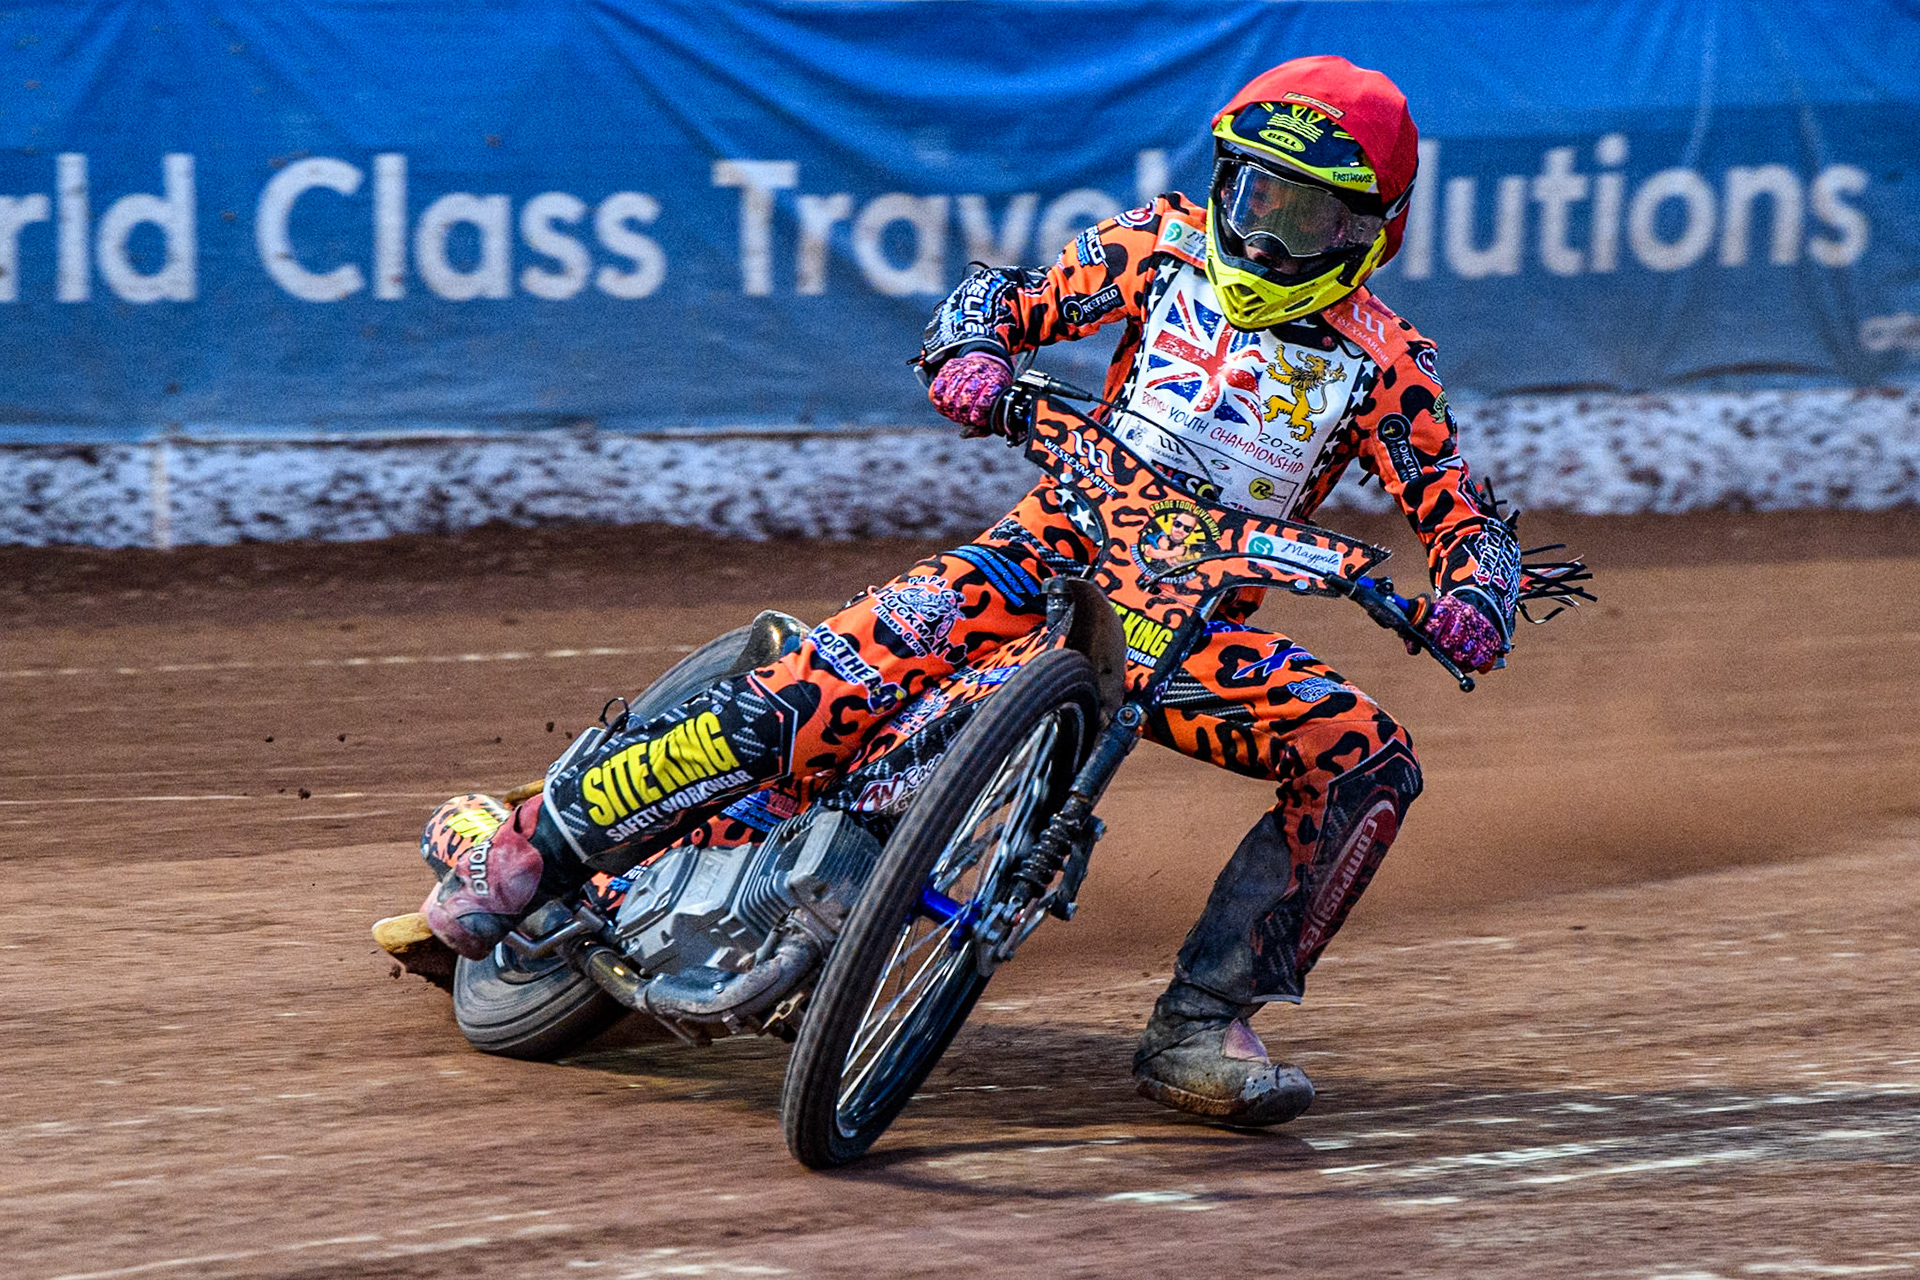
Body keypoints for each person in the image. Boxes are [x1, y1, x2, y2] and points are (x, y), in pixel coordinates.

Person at [395, 54, 1519, 1127]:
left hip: (1187, 636)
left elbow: (1460, 510)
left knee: (1369, 760)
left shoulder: (1388, 367)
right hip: (1041, 547)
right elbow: (1008, 297)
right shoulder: (1160, 243)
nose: (1269, 234)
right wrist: (973, 349)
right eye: (1256, 196)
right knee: (804, 700)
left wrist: (1476, 591)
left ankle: (1205, 1020)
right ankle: (534, 848)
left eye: (1308, 217)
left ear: (1373, 230)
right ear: (1224, 181)